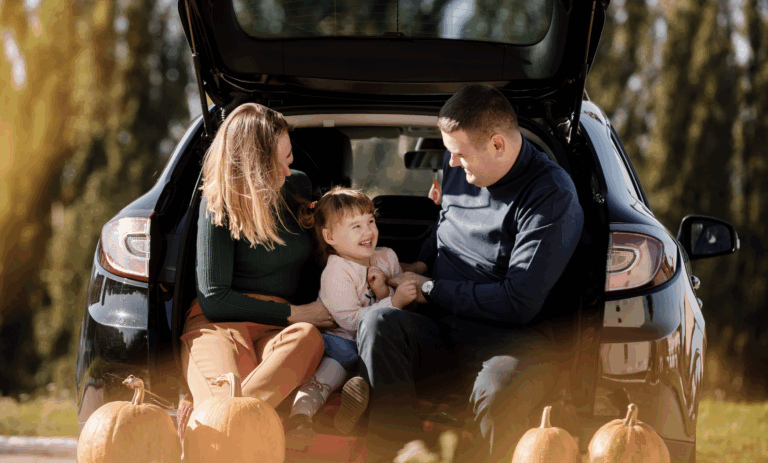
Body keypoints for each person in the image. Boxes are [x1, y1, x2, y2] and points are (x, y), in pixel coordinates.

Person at [356, 84, 585, 463]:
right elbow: (445, 230)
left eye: (459, 154)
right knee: (379, 323)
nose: (452, 164)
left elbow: (519, 302)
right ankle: (401, 455)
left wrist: (429, 288)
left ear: (497, 145)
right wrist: (416, 267)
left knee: (500, 387)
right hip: (442, 327)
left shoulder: (550, 195)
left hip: (511, 341)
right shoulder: (464, 169)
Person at [178, 103, 334, 436]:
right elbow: (215, 300)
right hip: (218, 325)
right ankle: (235, 423)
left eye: (289, 158)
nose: (288, 171)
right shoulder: (219, 201)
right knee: (226, 395)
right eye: (277, 163)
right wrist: (297, 312)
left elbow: (333, 245)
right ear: (251, 165)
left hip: (276, 327)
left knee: (308, 338)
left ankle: (214, 422)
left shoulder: (297, 186)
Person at [285, 187, 420, 446]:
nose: (368, 232)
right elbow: (348, 320)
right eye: (356, 226)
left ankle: (353, 406)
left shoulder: (386, 257)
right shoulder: (336, 272)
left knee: (376, 374)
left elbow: (397, 312)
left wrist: (384, 290)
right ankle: (300, 416)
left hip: (374, 347)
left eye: (370, 221)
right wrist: (394, 300)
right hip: (340, 343)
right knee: (328, 375)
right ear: (330, 236)